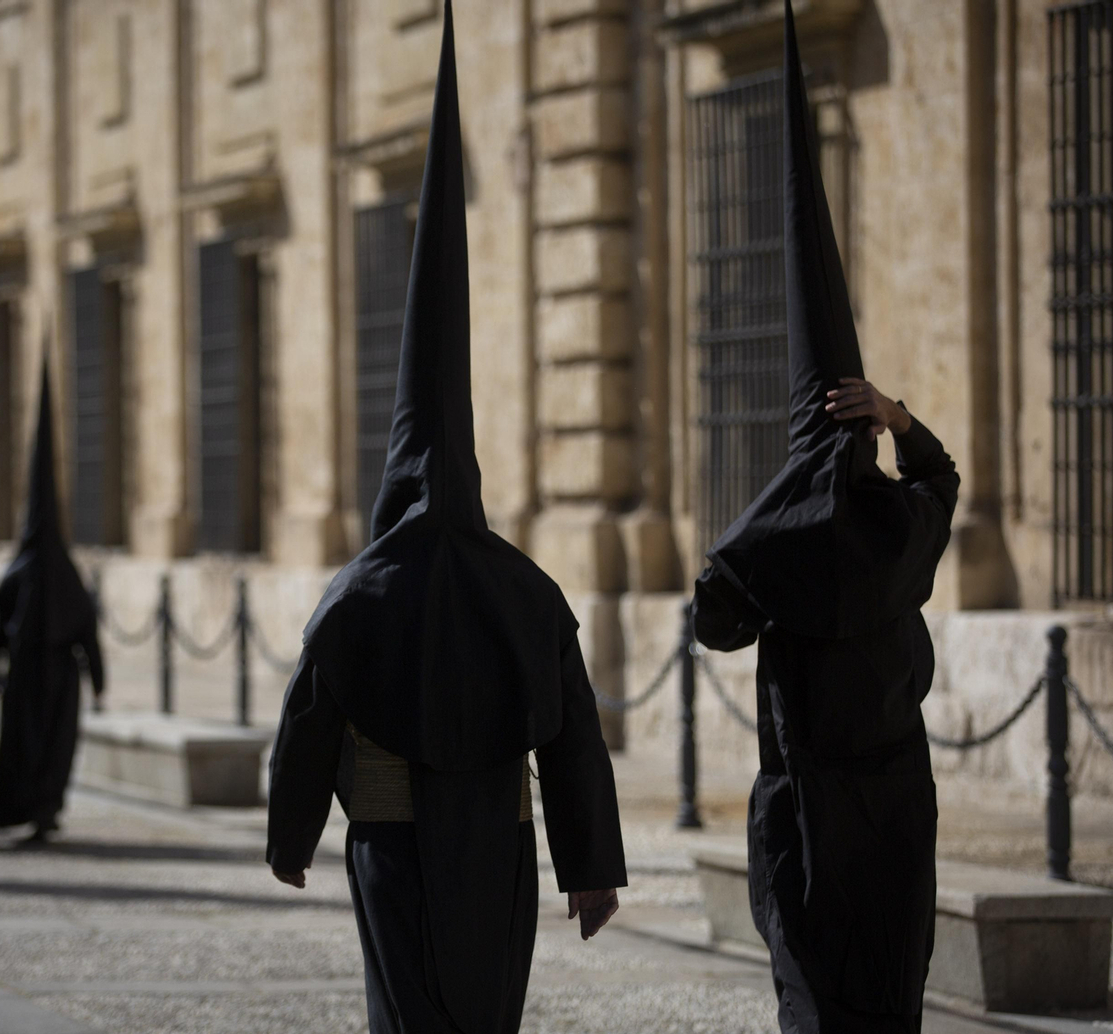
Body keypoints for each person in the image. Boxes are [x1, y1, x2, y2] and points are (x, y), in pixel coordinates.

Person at [266, 6, 626, 1031]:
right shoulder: (524, 588)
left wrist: (291, 835)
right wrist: (589, 869)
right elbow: (574, 738)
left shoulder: (356, 592)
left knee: (406, 1006)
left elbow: (307, 719)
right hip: (498, 844)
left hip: (389, 838)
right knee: (482, 1009)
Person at [691, 4, 961, 1032]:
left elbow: (713, 612)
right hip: (897, 806)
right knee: (889, 1000)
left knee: (815, 1001)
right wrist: (894, 415)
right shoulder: (904, 525)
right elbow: (942, 478)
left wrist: (781, 492)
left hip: (808, 814)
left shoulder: (776, 546)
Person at [0, 358, 105, 844]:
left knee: (33, 744)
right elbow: (87, 630)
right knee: (51, 744)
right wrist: (98, 682)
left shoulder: (17, 571)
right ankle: (45, 810)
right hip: (57, 674)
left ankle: (36, 810)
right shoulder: (66, 573)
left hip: (27, 671)